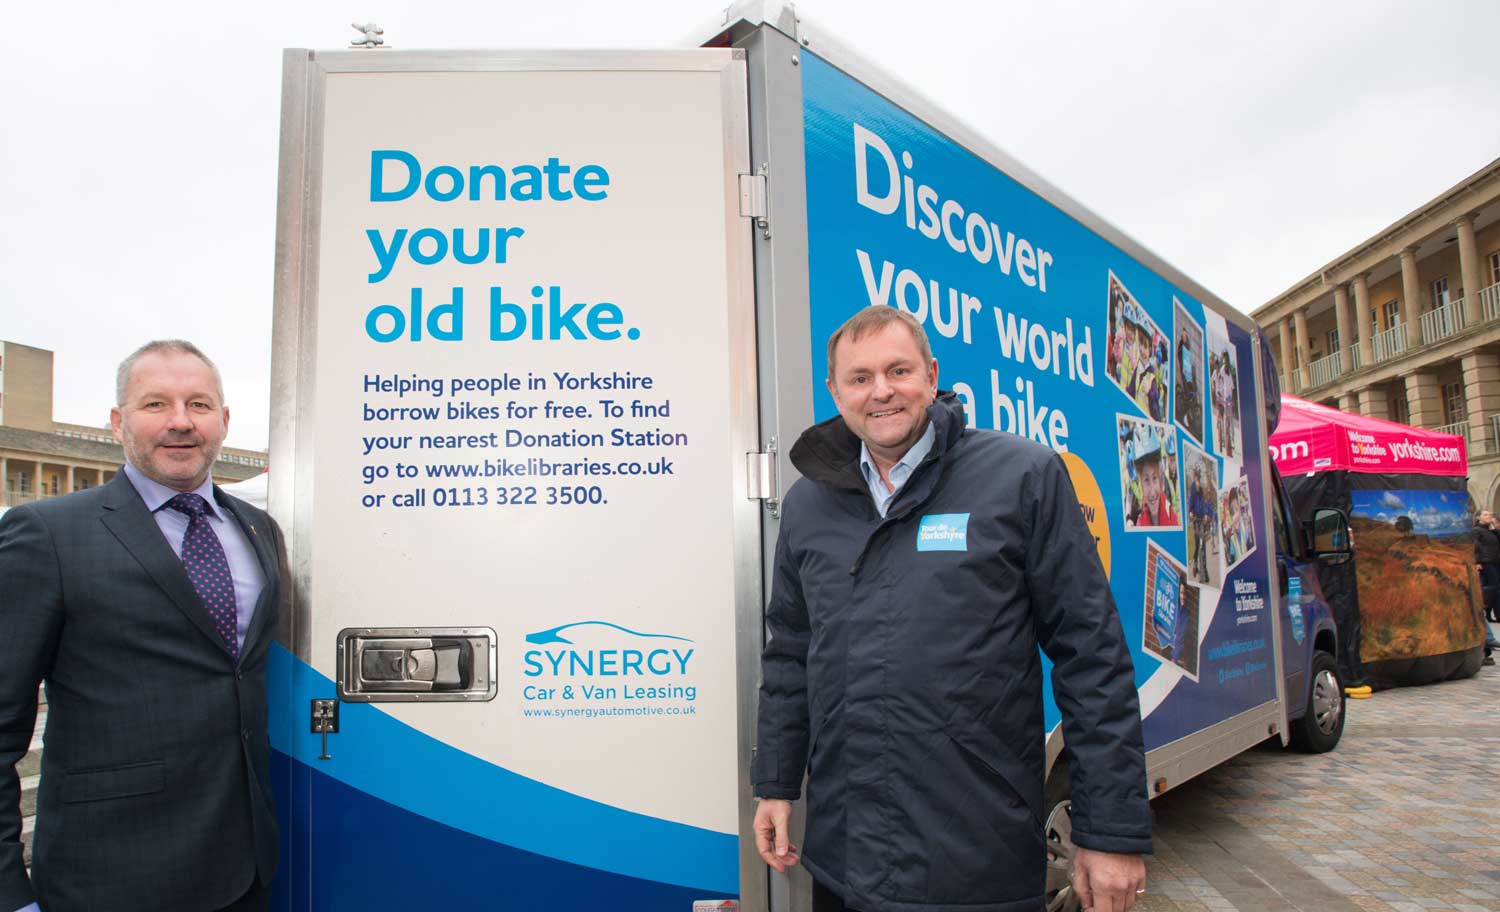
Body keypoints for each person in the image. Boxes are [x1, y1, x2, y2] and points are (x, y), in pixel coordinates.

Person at [752, 306, 1150, 912]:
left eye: (898, 370)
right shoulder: (809, 504)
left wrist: (1110, 833)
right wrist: (777, 785)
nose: (881, 390)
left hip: (975, 863)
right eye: (859, 378)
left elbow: (1091, 657)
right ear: (834, 392)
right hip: (844, 862)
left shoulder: (1023, 476)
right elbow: (789, 658)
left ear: (931, 376)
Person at [0, 341, 283, 912]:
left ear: (224, 422)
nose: (180, 422)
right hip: (109, 878)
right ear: (117, 422)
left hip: (245, 873)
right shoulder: (46, 534)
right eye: (155, 404)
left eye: (199, 404)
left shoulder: (260, 531)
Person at [1130, 432, 1178, 528]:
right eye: (1146, 480)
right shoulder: (1140, 524)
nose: (1152, 492)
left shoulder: (1172, 518)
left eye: (1155, 478)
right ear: (1141, 485)